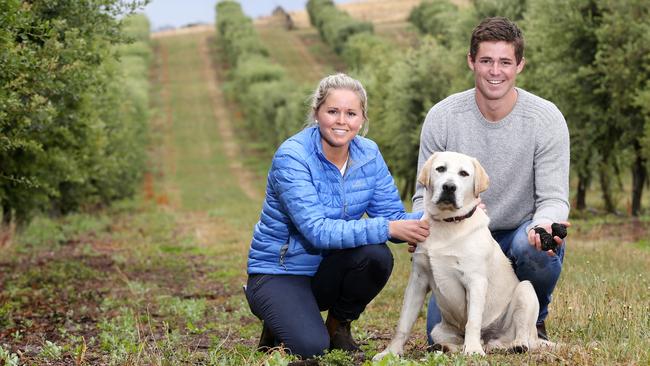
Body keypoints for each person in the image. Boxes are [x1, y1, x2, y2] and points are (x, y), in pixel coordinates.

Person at [245, 73, 430, 360]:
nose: (341, 121)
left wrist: (447, 214)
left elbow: (392, 216)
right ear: (317, 113)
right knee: (310, 348)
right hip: (279, 272)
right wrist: (388, 227)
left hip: (326, 270)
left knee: (375, 256)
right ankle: (277, 319)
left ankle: (338, 326)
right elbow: (317, 231)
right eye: (332, 111)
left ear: (361, 118)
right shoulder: (292, 157)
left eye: (351, 113)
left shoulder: (368, 154)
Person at [411, 17, 571, 345]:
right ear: (471, 61)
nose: (494, 71)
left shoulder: (546, 119)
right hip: (457, 236)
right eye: (486, 61)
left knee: (535, 249)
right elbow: (421, 193)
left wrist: (542, 226)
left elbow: (554, 198)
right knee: (436, 339)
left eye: (504, 62)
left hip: (516, 232)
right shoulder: (442, 117)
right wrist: (418, 225)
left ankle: (531, 322)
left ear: (520, 65)